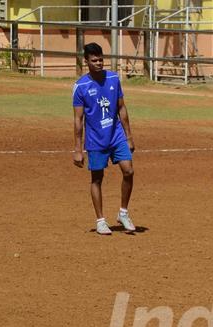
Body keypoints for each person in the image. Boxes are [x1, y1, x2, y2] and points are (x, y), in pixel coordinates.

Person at [72, 42, 136, 235]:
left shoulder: (114, 79)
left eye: (101, 59)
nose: (99, 63)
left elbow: (121, 108)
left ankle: (123, 213)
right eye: (94, 60)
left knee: (129, 171)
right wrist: (78, 149)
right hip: (95, 139)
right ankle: (100, 221)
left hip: (116, 134)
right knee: (97, 178)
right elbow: (78, 119)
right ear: (86, 62)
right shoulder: (80, 86)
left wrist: (129, 136)